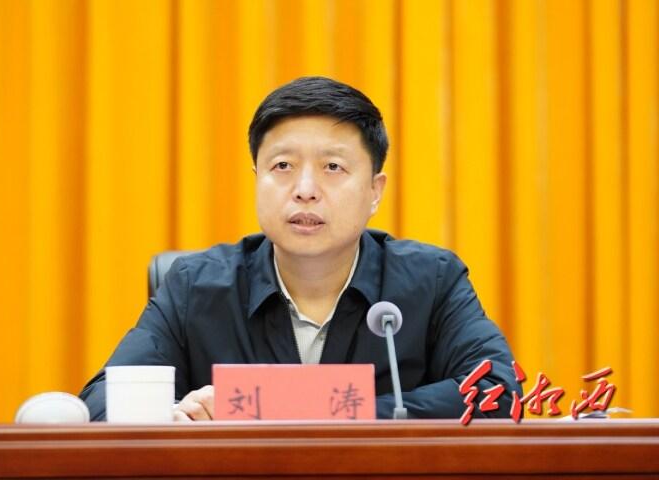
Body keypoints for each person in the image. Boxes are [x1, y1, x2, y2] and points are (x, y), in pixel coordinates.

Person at [80, 76, 521, 421]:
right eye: (283, 166)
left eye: (333, 167)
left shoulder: (432, 281)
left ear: (374, 191)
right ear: (258, 179)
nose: (305, 189)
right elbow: (101, 401)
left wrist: (295, 409)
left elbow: (498, 392)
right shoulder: (195, 287)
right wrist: (173, 415)